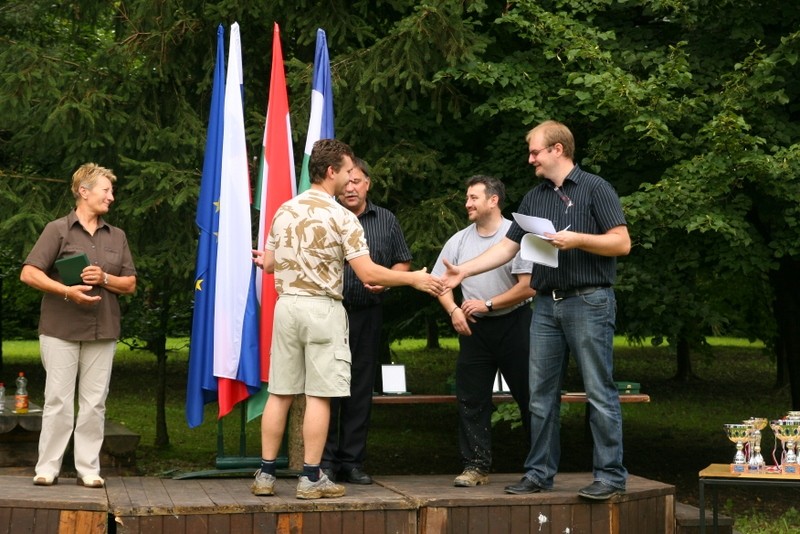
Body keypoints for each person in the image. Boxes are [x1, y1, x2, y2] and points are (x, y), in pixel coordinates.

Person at [441, 120, 631, 500]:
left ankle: (610, 476)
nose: (530, 159)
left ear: (558, 150)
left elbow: (621, 243)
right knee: (540, 396)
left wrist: (577, 239)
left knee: (599, 391)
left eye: (535, 151)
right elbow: (508, 248)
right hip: (545, 305)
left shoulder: (596, 188)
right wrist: (466, 268)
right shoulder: (534, 197)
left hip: (589, 300)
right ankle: (539, 473)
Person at [251, 139, 443, 500]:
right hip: (322, 309)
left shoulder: (284, 210)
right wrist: (413, 278)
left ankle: (265, 475)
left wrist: (268, 260)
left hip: (287, 307)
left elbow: (271, 262)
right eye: (346, 171)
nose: (350, 178)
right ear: (331, 172)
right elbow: (369, 272)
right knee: (321, 395)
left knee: (280, 392)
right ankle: (311, 478)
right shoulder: (342, 217)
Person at [20, 163, 137, 488]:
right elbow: (29, 273)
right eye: (106, 190)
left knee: (94, 402)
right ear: (83, 192)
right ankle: (48, 468)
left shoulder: (117, 236)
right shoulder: (57, 230)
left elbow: (129, 284)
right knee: (57, 399)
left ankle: (88, 469)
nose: (111, 197)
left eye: (111, 192)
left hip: (104, 330)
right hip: (61, 328)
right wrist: (66, 291)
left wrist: (105, 278)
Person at [432, 175, 535, 488]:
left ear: (494, 200)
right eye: (467, 198)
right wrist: (453, 311)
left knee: (531, 397)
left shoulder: (515, 236)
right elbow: (441, 284)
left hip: (515, 325)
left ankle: (538, 468)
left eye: (474, 197)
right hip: (474, 330)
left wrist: (488, 304)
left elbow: (528, 287)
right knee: (471, 398)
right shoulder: (459, 240)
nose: (467, 203)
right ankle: (475, 466)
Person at [321, 157, 412, 485]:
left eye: (357, 181)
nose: (350, 188)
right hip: (329, 314)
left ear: (367, 184)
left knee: (360, 389)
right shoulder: (327, 217)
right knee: (328, 387)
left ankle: (352, 462)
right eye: (346, 182)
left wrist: (386, 281)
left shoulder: (385, 219)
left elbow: (403, 262)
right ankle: (326, 462)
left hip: (368, 315)